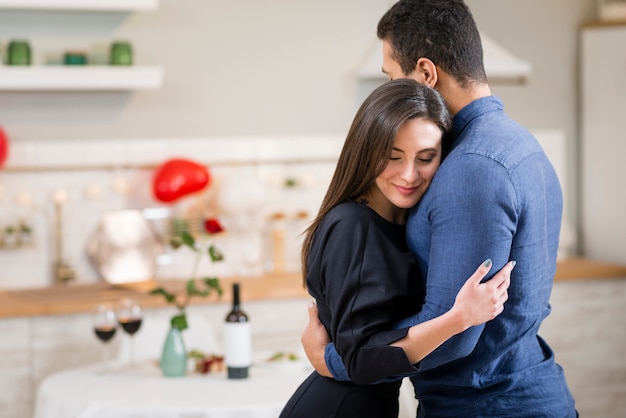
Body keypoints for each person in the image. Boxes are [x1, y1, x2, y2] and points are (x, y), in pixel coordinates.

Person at [302, 1, 578, 417]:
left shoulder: (472, 169)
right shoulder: (521, 144)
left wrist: (334, 361)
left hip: (484, 405)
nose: (392, 90)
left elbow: (456, 332)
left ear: (426, 75)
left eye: (394, 77)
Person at [279, 79, 513, 418]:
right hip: (337, 408)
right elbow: (360, 360)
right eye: (393, 156)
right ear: (366, 151)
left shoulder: (401, 223)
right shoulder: (353, 225)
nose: (408, 175)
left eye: (426, 158)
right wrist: (460, 318)